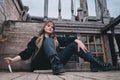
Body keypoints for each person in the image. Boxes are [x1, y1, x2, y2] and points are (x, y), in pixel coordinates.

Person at [4, 21, 111, 75]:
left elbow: (70, 40)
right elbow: (26, 53)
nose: (51, 27)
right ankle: (55, 63)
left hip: (56, 65)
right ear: (44, 27)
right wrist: (13, 60)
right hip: (40, 63)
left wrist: (78, 40)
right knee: (47, 40)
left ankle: (95, 63)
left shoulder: (56, 39)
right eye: (48, 25)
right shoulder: (36, 39)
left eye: (52, 27)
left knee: (73, 44)